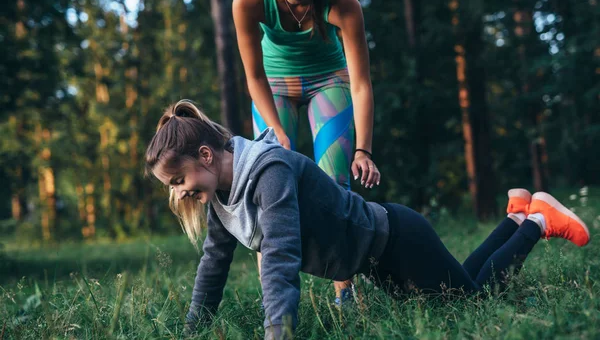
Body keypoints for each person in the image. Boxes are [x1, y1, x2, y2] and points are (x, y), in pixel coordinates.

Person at [145, 100, 590, 340]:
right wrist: (192, 331)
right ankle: (514, 218)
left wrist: (277, 332)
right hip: (376, 264)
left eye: (178, 179)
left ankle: (537, 222)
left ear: (206, 155)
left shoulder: (268, 170)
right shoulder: (222, 197)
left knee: (473, 304)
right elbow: (213, 265)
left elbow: (281, 254)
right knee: (462, 291)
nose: (179, 193)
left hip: (396, 240)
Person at [233, 0, 379, 302]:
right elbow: (253, 77)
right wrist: (277, 130)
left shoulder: (343, 2)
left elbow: (360, 83)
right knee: (268, 186)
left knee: (334, 183)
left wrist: (363, 149)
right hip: (273, 85)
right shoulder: (248, 1)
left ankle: (345, 295)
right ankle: (276, 299)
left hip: (329, 81)